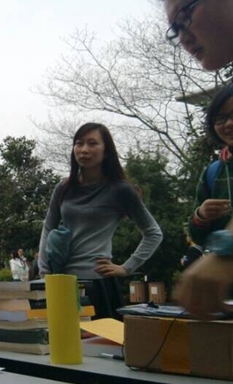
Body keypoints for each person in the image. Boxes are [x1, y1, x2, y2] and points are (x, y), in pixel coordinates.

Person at [160, 0, 233, 318]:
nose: (183, 37)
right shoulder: (214, 172)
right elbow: (196, 231)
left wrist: (229, 252)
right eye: (175, 29)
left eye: (186, 15)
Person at [38, 123, 163, 319]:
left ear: (106, 152)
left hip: (98, 285)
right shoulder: (64, 188)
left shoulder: (120, 190)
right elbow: (48, 227)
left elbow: (153, 233)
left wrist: (126, 267)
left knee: (99, 338)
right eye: (79, 143)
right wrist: (44, 272)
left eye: (92, 143)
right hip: (61, 281)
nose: (84, 150)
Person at [187, 81, 233, 298]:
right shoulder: (214, 172)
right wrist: (202, 216)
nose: (229, 124)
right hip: (229, 291)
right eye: (220, 118)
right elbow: (197, 235)